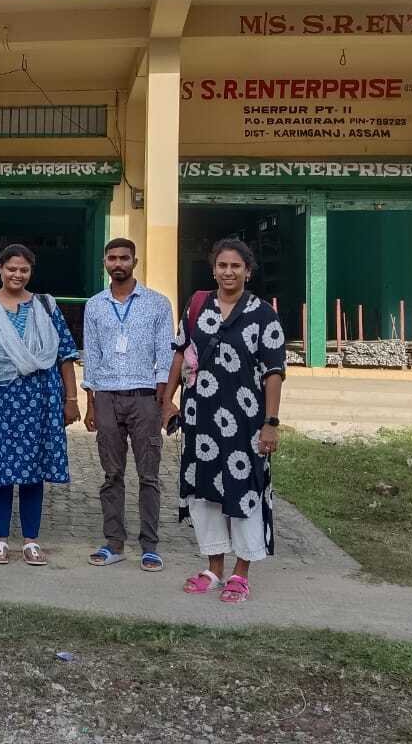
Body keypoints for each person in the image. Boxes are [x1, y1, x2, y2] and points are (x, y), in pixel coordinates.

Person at [163, 238, 285, 604]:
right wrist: (167, 401)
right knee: (205, 493)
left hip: (245, 423)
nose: (228, 272)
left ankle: (241, 573)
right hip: (200, 420)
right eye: (222, 265)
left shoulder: (264, 315)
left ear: (248, 271)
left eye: (236, 266)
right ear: (213, 269)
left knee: (244, 492)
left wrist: (271, 422)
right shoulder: (197, 307)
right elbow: (181, 352)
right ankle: (213, 568)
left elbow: (274, 372)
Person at [0, 244, 80, 566]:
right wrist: (3, 372)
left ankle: (30, 541)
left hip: (38, 400)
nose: (17, 274)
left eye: (23, 269)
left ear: (30, 272)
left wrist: (71, 398)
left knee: (32, 470)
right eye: (11, 268)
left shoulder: (46, 306)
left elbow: (65, 354)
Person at [82, 238, 175, 572]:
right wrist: (90, 401)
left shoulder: (157, 304)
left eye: (124, 258)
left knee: (149, 475)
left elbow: (166, 354)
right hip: (106, 395)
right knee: (111, 474)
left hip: (144, 396)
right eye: (112, 258)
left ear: (135, 261)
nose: (118, 263)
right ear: (104, 263)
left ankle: (150, 546)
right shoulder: (94, 305)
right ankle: (114, 543)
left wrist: (164, 400)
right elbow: (90, 353)